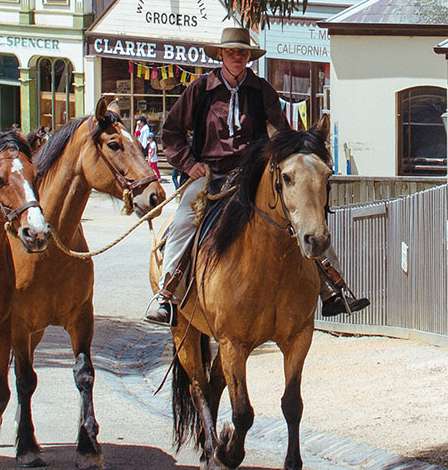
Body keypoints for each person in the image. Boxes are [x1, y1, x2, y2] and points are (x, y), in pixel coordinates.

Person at [144, 26, 369, 326]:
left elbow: (283, 133)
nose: (237, 56)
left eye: (242, 52)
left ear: (249, 56)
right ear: (221, 54)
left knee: (303, 214)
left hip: (255, 174)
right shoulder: (200, 89)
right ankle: (166, 295)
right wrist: (189, 164)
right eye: (231, 51)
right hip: (209, 173)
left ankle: (334, 289)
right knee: (185, 216)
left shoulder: (261, 90)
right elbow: (171, 132)